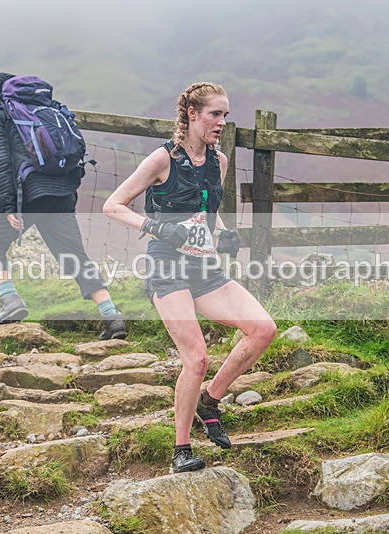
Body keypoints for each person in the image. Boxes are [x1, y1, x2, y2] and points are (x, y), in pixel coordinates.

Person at [103, 82, 277, 473]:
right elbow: (112, 206)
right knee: (196, 358)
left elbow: (206, 216)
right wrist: (156, 228)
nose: (221, 122)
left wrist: (222, 235)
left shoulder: (221, 161)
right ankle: (181, 449)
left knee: (263, 329)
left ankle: (210, 402)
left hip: (204, 269)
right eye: (215, 114)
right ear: (192, 115)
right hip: (166, 268)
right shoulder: (162, 159)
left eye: (225, 116)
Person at [0, 67, 126, 340]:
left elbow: (0, 163)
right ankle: (112, 316)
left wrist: (6, 207)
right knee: (74, 255)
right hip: (60, 191)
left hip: (26, 195)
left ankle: (10, 301)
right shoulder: (32, 106)